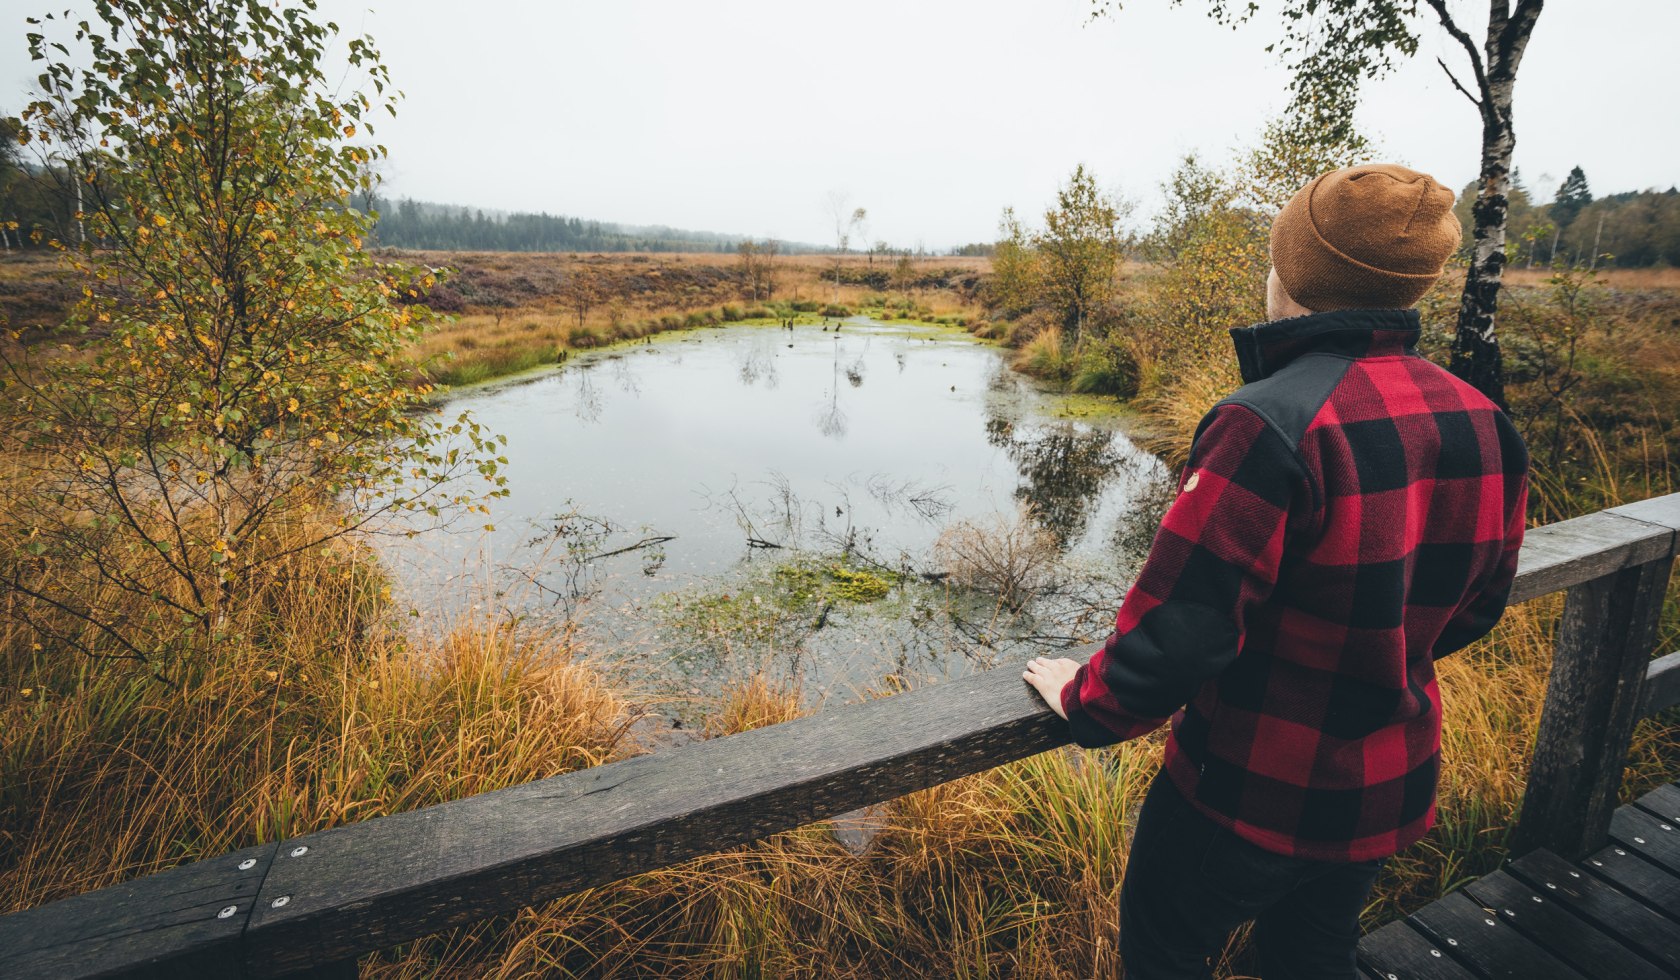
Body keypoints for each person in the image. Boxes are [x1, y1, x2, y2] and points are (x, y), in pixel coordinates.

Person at [1023, 163, 1529, 979]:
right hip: (1386, 784)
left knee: (1164, 953)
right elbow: (1478, 609)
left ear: (1294, 272)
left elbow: (1182, 629)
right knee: (1313, 952)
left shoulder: (1266, 422)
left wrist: (1085, 698)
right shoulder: (1482, 418)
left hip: (1249, 792)